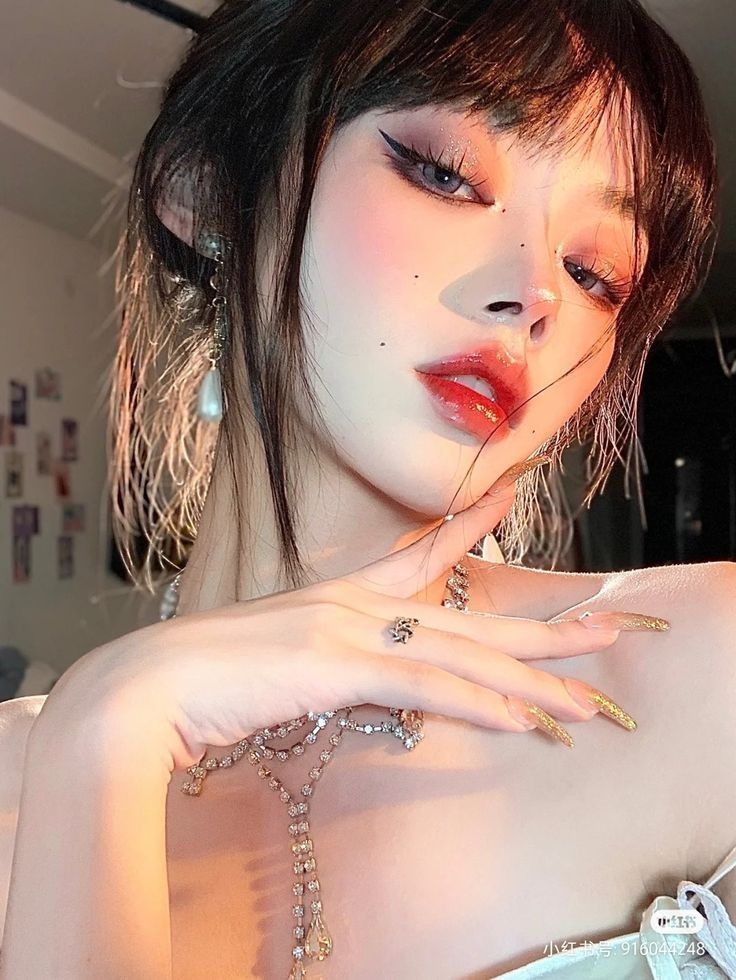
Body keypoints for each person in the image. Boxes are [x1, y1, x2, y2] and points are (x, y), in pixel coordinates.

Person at [1, 0, 735, 977]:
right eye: (444, 171)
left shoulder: (706, 668)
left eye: (596, 272)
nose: (536, 294)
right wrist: (104, 730)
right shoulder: (26, 777)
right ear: (211, 193)